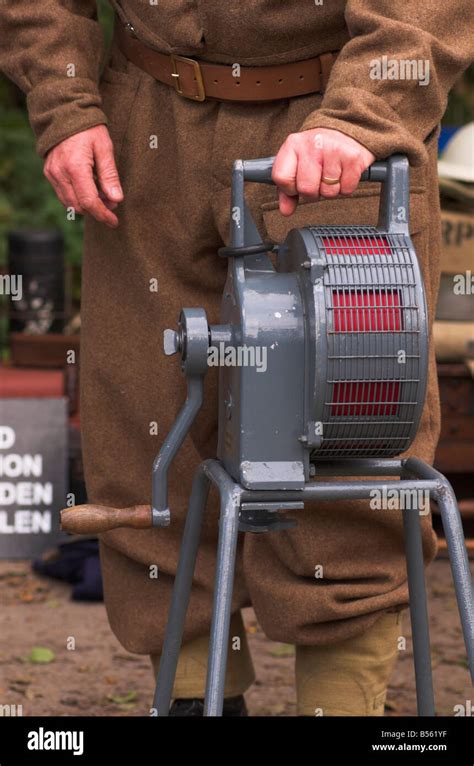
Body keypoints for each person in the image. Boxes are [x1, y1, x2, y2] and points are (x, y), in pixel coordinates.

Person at [1, 1, 472, 716]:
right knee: (147, 433)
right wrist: (65, 102)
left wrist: (366, 112)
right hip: (144, 125)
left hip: (332, 131)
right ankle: (193, 699)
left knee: (350, 440)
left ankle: (340, 711)